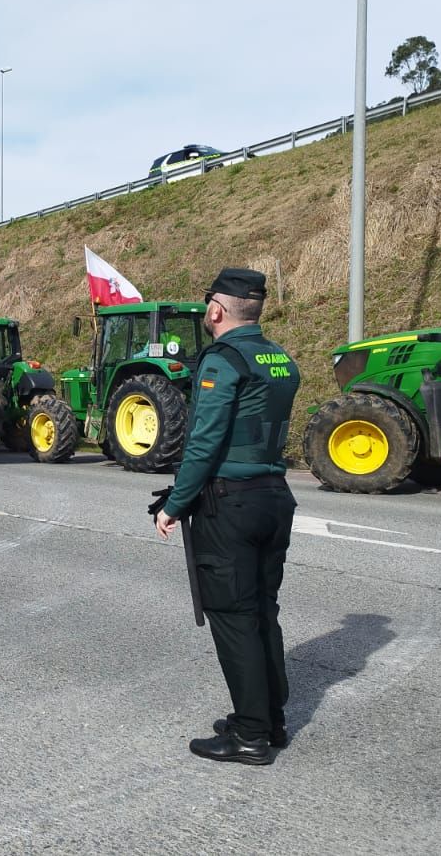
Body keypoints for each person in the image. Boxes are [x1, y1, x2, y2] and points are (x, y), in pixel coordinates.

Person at [153, 267, 300, 766]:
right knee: (262, 611)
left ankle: (250, 735)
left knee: (234, 617)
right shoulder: (280, 358)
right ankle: (270, 719)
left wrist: (176, 503)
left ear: (216, 310)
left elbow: (205, 439)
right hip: (273, 495)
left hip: (230, 501)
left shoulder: (223, 359)